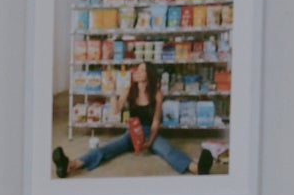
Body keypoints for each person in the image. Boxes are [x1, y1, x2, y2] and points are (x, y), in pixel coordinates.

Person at [54, 60, 212, 177]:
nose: (136, 71)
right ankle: (70, 165)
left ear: (148, 75)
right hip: (132, 133)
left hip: (150, 132)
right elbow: (115, 110)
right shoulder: (128, 88)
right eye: (137, 69)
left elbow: (156, 120)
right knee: (105, 149)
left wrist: (149, 141)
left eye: (141, 70)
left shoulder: (157, 93)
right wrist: (113, 90)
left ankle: (197, 168)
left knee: (168, 150)